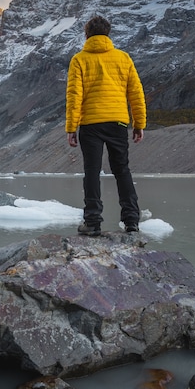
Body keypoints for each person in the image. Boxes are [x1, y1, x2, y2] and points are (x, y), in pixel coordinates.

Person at [65, 14, 147, 236]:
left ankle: (92, 222)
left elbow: (75, 96)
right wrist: (139, 124)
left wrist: (71, 128)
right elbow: (136, 93)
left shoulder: (79, 59)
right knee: (122, 170)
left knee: (91, 171)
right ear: (108, 33)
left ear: (87, 34)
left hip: (90, 124)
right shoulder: (123, 58)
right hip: (118, 122)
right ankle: (131, 221)